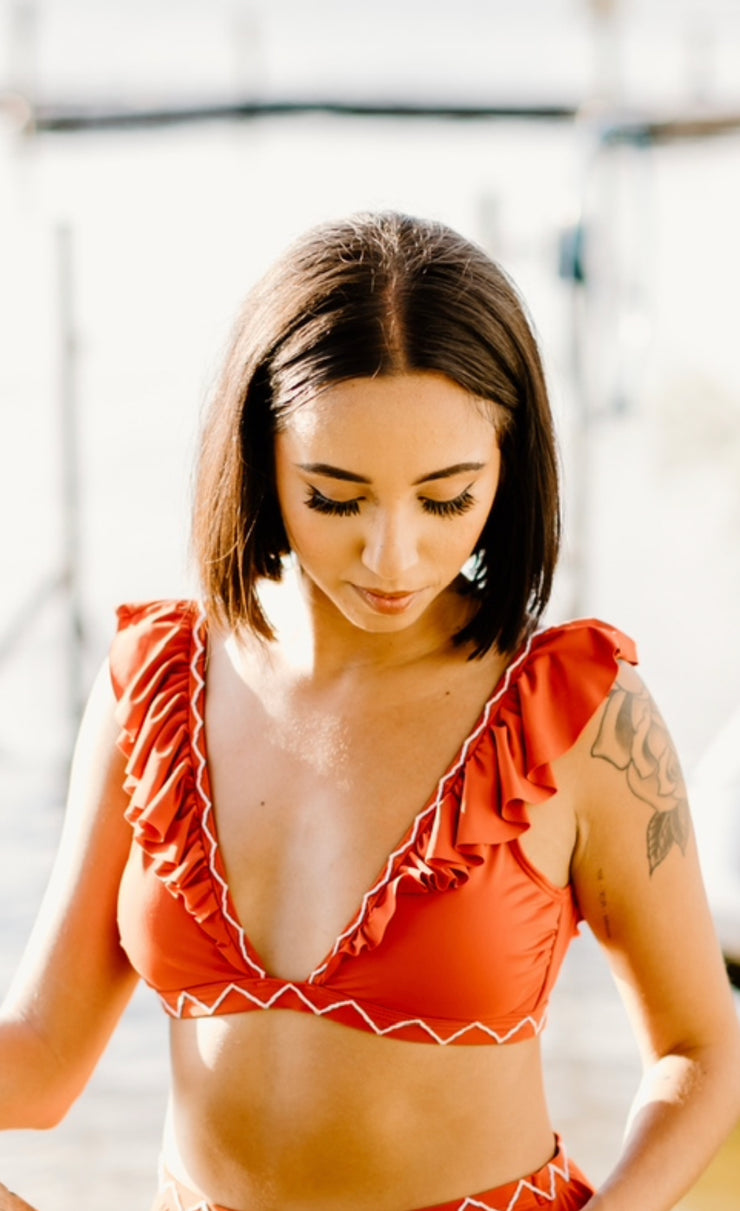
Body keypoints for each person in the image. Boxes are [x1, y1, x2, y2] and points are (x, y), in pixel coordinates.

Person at [1, 211, 739, 1211]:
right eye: (336, 496)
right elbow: (41, 1059)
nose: (393, 557)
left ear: (508, 468)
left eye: (445, 498)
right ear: (259, 459)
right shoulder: (152, 683)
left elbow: (698, 1048)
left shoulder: (576, 713)